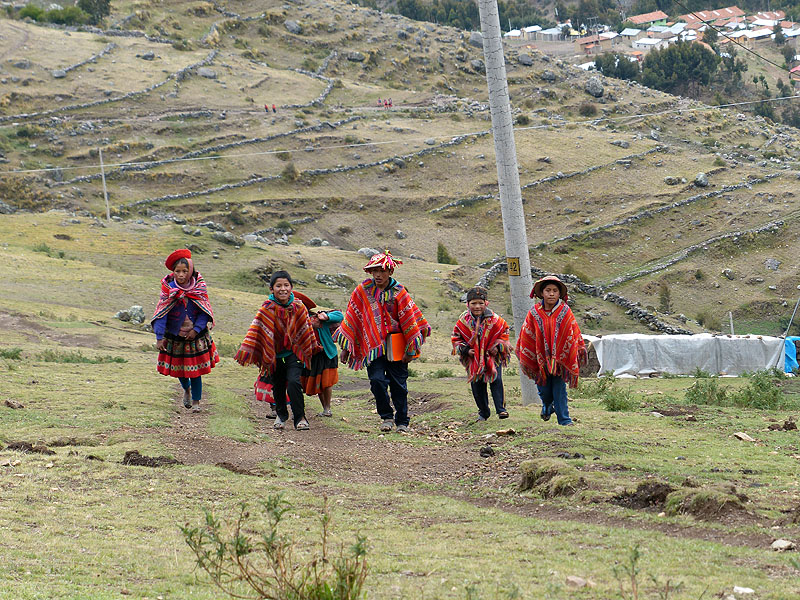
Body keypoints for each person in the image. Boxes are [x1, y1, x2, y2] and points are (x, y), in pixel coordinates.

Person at [336, 251, 430, 433]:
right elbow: (352, 319)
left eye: (382, 270)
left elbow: (411, 321)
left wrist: (411, 349)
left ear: (390, 272)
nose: (378, 275)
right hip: (372, 346)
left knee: (399, 385)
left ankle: (402, 421)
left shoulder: (400, 293)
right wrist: (346, 348)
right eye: (374, 271)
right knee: (377, 381)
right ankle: (386, 417)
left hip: (397, 346)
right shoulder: (362, 291)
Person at [235, 271, 320, 430]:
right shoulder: (266, 309)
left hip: (294, 353)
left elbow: (305, 329)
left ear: (291, 287)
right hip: (273, 354)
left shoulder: (299, 307)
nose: (283, 289)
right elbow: (257, 330)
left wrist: (311, 346)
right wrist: (250, 350)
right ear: (271, 289)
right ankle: (281, 415)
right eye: (278, 286)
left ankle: (300, 417)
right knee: (278, 385)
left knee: (294, 382)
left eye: (286, 285)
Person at [151, 249, 219, 413]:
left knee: (195, 372)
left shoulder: (199, 288)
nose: (181, 275)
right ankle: (186, 389)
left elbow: (204, 312)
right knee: (181, 370)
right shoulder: (168, 290)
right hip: (175, 338)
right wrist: (159, 338)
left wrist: (196, 329)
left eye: (184, 271)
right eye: (177, 271)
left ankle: (196, 402)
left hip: (196, 337)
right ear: (172, 272)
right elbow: (161, 315)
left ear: (191, 271)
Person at [516, 275, 586, 426]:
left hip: (560, 360)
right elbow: (527, 333)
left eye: (555, 290)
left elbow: (573, 331)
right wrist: (527, 352)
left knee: (559, 389)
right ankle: (547, 405)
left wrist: (577, 347)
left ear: (560, 294)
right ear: (541, 293)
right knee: (544, 389)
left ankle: (564, 419)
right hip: (540, 359)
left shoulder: (565, 311)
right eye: (548, 290)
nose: (552, 294)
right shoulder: (534, 312)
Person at [452, 286, 511, 421]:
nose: (477, 306)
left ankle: (501, 410)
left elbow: (504, 333)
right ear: (468, 304)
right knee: (477, 385)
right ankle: (484, 412)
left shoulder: (495, 319)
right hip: (473, 359)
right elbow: (456, 337)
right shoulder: (463, 321)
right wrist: (466, 350)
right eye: (473, 303)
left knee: (496, 380)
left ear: (486, 303)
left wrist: (499, 346)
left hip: (492, 357)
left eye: (480, 303)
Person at [302, 305, 343, 417]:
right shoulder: (299, 321)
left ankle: (327, 408)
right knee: (319, 382)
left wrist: (326, 316)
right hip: (313, 355)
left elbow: (339, 315)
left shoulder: (319, 318)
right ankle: (325, 408)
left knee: (327, 382)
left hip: (327, 353)